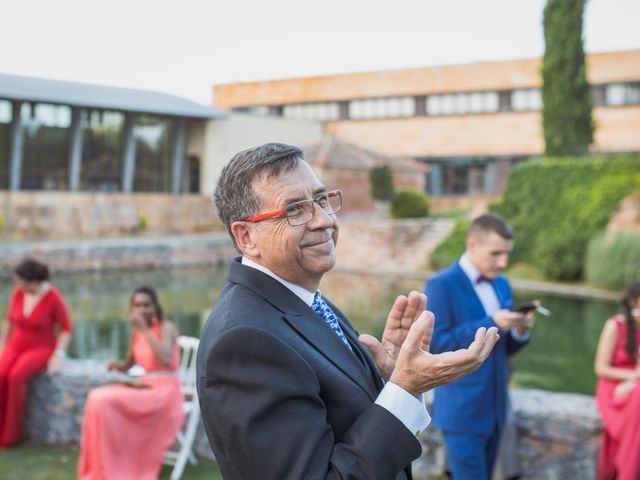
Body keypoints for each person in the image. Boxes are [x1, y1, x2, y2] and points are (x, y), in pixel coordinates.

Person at [196, 142, 500, 480]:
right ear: (246, 236)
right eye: (295, 209)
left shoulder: (302, 298)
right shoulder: (244, 340)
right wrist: (406, 388)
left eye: (322, 199)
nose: (324, 220)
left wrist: (390, 379)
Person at [425, 213, 535, 480]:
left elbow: (501, 349)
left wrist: (518, 332)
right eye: (496, 254)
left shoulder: (502, 283)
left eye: (507, 254)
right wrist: (490, 321)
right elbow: (437, 344)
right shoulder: (441, 284)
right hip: (462, 410)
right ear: (473, 244)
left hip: (497, 409)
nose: (503, 262)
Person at [77, 286, 184, 480]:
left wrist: (144, 329)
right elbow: (129, 364)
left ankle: (119, 464)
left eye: (146, 305)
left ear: (155, 306)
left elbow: (165, 359)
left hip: (165, 392)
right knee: (96, 397)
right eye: (137, 305)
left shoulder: (165, 328)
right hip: (145, 386)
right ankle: (105, 462)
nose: (141, 309)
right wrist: (118, 366)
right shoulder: (137, 333)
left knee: (102, 400)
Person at [0, 258, 72, 447]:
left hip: (41, 347)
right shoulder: (18, 293)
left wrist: (58, 355)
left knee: (16, 376)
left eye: (20, 280)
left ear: (32, 280)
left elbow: (66, 329)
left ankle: (10, 436)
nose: (17, 283)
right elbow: (9, 320)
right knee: (1, 374)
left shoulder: (53, 297)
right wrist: (2, 344)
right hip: (15, 343)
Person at [594, 280, 640, 480]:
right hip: (614, 385)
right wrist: (633, 377)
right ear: (633, 302)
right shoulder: (615, 325)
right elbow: (601, 368)